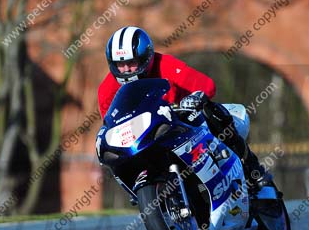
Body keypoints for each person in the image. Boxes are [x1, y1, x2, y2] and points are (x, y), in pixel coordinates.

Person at [98, 26, 271, 191]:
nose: (126, 69)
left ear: (146, 58)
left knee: (215, 112)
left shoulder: (165, 64)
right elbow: (110, 123)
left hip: (182, 121)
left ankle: (252, 170)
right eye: (120, 64)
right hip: (144, 139)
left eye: (132, 62)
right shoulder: (106, 90)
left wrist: (194, 98)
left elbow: (206, 85)